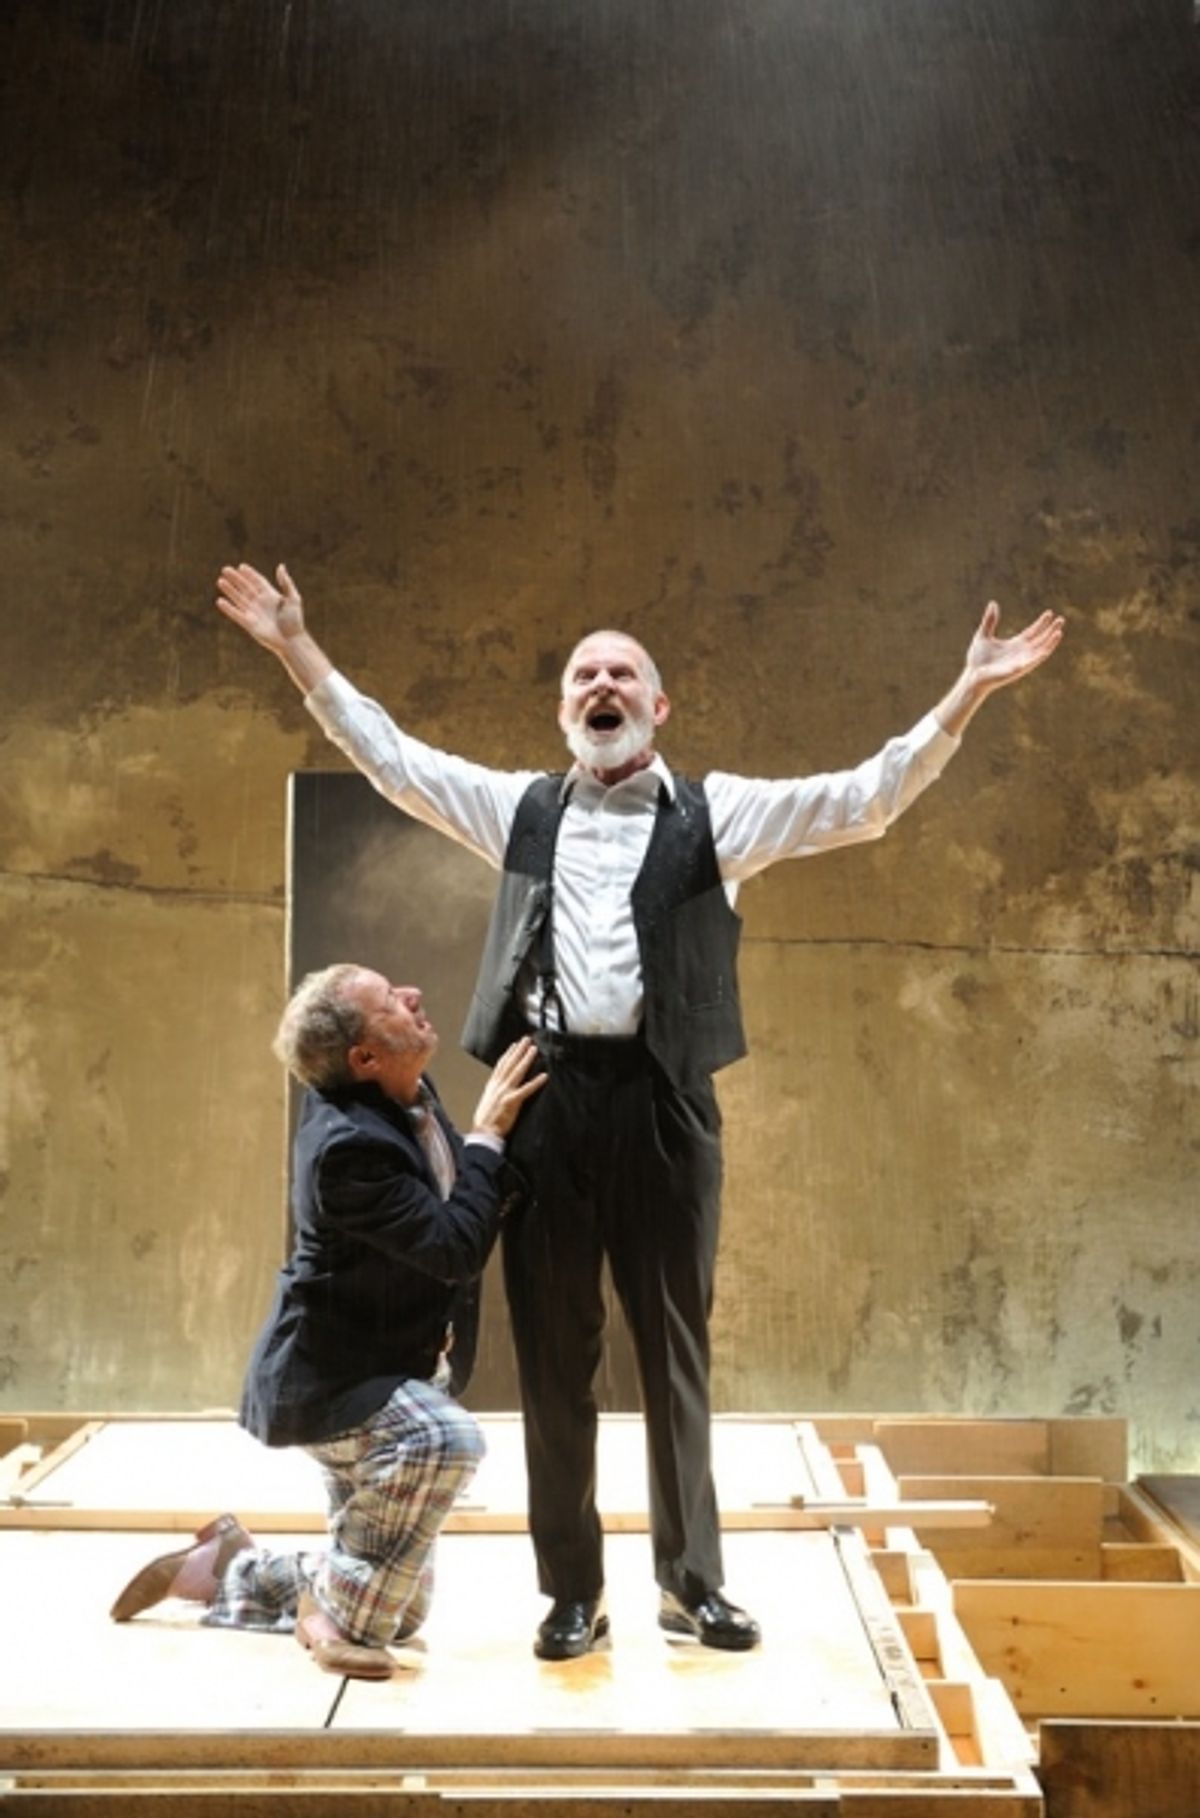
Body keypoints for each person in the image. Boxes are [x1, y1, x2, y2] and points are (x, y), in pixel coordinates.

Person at [215, 561, 1063, 1660]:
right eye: (583, 675)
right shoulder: (519, 809)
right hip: (550, 1107)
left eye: (624, 672)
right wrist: (296, 648)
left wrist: (969, 692)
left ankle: (690, 1583)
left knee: (675, 1353)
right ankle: (572, 1592)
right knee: (555, 1358)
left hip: (666, 1107)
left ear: (658, 707)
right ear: (566, 710)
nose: (601, 684)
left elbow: (869, 796)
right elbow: (391, 760)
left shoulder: (724, 815)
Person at [110, 963, 544, 1679]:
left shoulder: (403, 1096)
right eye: (390, 1004)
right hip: (332, 1389)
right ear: (364, 1059)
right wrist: (489, 1139)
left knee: (400, 1614)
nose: (414, 995)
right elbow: (450, 1250)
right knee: (447, 1440)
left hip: (378, 1370)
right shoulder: (349, 1147)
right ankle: (327, 1619)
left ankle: (231, 1568)